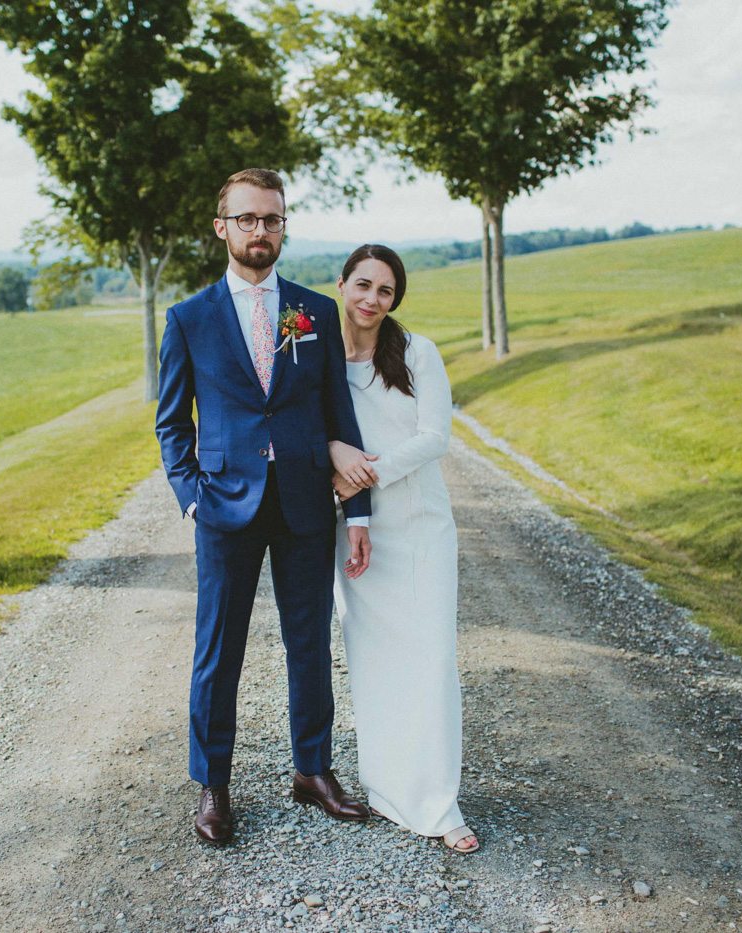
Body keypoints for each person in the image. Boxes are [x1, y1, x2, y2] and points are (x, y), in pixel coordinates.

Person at [155, 168, 378, 846]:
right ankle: (213, 784)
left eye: (272, 219)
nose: (261, 231)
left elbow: (338, 414)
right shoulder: (189, 319)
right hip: (224, 507)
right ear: (222, 227)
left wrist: (359, 509)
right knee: (217, 649)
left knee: (308, 643)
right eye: (248, 219)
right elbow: (171, 423)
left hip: (307, 503)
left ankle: (312, 770)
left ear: (283, 226)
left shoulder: (311, 310)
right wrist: (192, 498)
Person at [328, 244, 479, 853]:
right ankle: (389, 789)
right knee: (374, 663)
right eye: (362, 285)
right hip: (354, 528)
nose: (371, 299)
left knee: (432, 660)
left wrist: (364, 472)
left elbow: (435, 437)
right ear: (341, 286)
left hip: (418, 529)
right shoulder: (319, 361)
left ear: (395, 301)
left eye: (385, 291)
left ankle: (439, 803)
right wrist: (341, 472)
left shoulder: (417, 353)